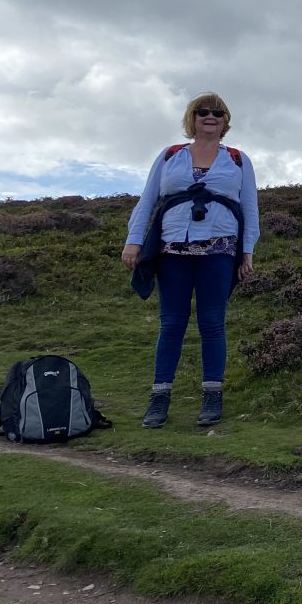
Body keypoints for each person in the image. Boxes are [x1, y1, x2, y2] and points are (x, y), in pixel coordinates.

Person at [122, 92, 260, 430]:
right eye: (202, 112)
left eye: (217, 113)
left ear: (226, 121)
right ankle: (159, 399)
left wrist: (248, 251)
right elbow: (148, 199)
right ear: (192, 119)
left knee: (212, 323)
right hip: (173, 249)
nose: (210, 117)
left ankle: (212, 397)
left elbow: (250, 208)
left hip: (220, 249)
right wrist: (134, 240)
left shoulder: (239, 160)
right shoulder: (170, 156)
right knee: (171, 325)